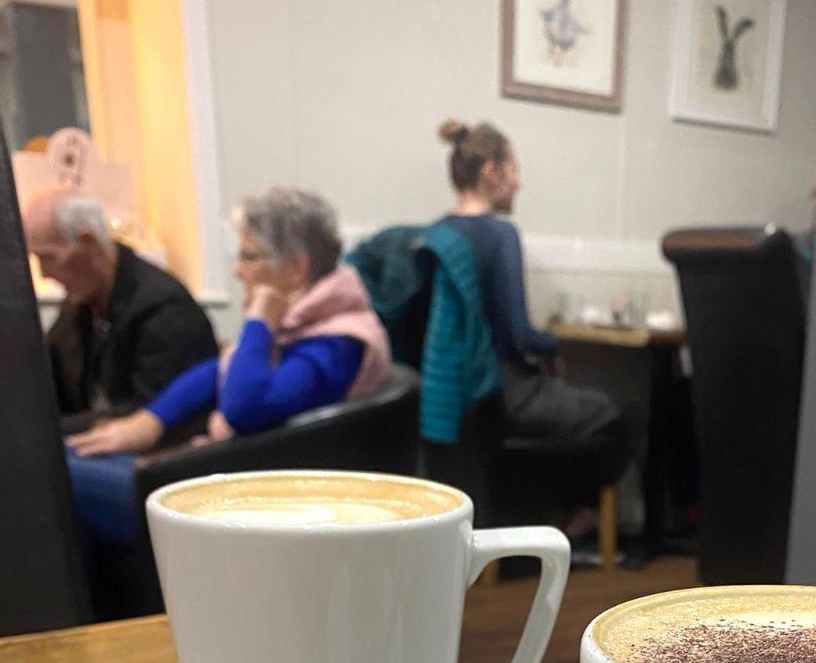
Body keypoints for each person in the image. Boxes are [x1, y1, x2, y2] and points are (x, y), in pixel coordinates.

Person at [65, 187, 392, 551]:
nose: (238, 271)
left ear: (296, 269)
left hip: (237, 503)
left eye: (249, 256)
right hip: (219, 473)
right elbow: (217, 372)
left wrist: (259, 320)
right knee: (63, 455)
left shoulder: (337, 345)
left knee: (53, 472)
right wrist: (148, 422)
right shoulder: (308, 324)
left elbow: (244, 408)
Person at [435, 119, 631, 534]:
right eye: (514, 170)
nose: (519, 183)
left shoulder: (435, 235)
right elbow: (519, 334)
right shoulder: (500, 235)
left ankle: (535, 511)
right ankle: (576, 515)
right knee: (617, 414)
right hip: (503, 393)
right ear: (492, 172)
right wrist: (553, 344)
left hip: (452, 399)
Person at [23, 188, 217, 434]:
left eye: (48, 258)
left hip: (152, 451)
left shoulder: (164, 308)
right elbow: (43, 377)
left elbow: (152, 415)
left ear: (88, 242)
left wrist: (45, 430)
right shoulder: (80, 304)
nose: (43, 273)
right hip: (95, 442)